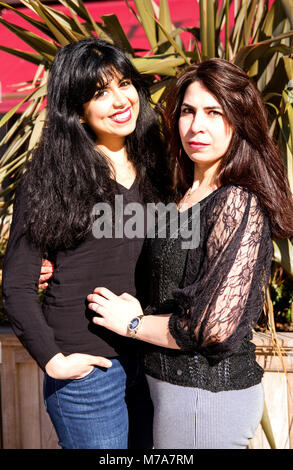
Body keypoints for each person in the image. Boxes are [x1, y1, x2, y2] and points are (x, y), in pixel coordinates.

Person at [87, 58, 293, 449]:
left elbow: (212, 327)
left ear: (240, 121)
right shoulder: (183, 196)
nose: (197, 126)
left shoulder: (236, 202)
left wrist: (132, 324)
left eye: (214, 113)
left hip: (204, 398)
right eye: (188, 111)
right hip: (168, 391)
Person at [2, 38, 171, 449]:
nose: (120, 100)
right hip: (89, 367)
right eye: (100, 92)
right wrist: (55, 361)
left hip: (151, 358)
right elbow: (18, 283)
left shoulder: (159, 165)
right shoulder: (51, 177)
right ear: (76, 110)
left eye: (125, 83)